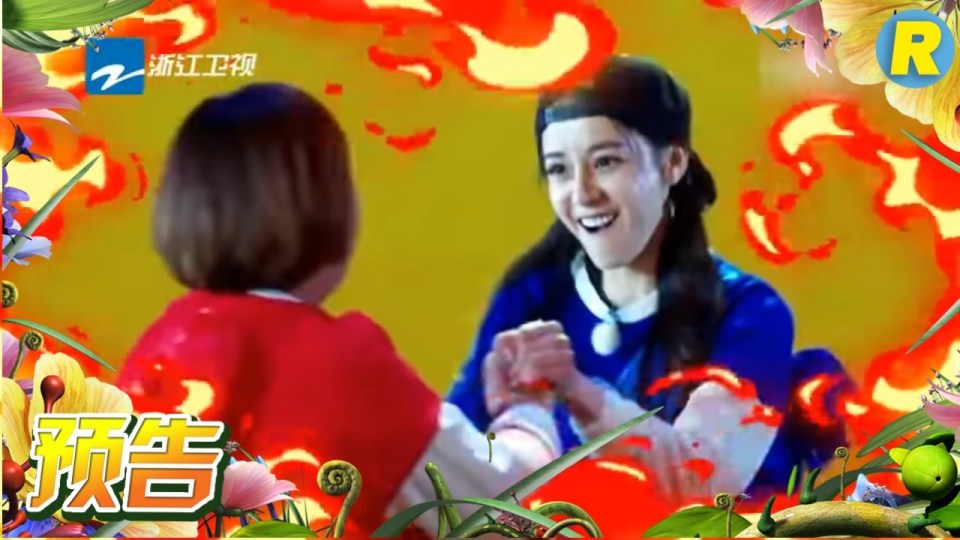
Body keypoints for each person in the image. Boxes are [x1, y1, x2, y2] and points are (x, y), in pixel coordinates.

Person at [115, 83, 562, 538]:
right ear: (327, 204)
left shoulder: (157, 353)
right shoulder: (342, 366)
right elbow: (497, 510)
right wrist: (529, 409)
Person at [447, 55, 853, 504]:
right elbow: (451, 479)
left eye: (605, 162)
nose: (582, 194)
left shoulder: (750, 312)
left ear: (672, 163)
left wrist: (581, 394)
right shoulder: (530, 297)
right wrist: (514, 414)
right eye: (559, 169)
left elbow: (703, 483)